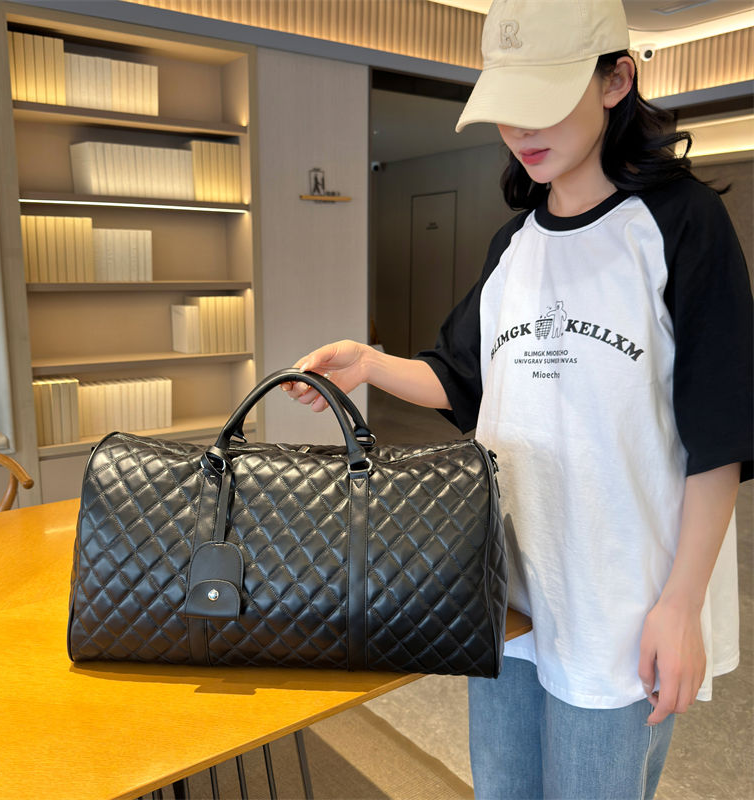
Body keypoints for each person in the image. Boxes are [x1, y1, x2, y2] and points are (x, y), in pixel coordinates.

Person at [283, 0, 753, 797]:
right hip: (506, 599)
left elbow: (719, 434)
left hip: (621, 607)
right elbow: (462, 378)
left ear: (616, 81)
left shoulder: (680, 225)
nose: (520, 129)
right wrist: (367, 362)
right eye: (506, 105)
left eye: (544, 100)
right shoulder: (515, 243)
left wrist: (681, 606)